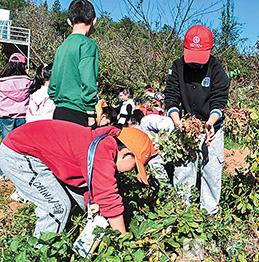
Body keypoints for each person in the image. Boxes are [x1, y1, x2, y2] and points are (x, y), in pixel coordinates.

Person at [0, 120, 156, 237]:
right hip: (19, 153)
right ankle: (39, 254)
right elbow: (108, 198)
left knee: (82, 205)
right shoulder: (103, 149)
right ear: (126, 153)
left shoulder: (103, 143)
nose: (131, 172)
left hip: (36, 154)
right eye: (134, 166)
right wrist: (124, 241)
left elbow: (92, 188)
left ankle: (68, 243)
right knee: (58, 207)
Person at [164, 25, 230, 215]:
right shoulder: (177, 67)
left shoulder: (217, 70)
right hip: (185, 124)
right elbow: (171, 96)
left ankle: (209, 215)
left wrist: (211, 121)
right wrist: (178, 122)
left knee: (211, 171)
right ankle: (182, 213)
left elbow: (219, 101)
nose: (194, 64)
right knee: (183, 169)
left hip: (212, 126)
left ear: (211, 49)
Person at [48, 0, 98, 127]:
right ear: (94, 20)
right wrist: (91, 113)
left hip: (59, 112)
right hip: (79, 112)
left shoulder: (62, 47)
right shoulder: (88, 45)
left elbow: (52, 86)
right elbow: (88, 81)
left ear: (69, 21)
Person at [0, 53, 32, 140]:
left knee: (6, 143)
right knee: (21, 143)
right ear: (23, 66)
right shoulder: (28, 81)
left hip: (6, 117)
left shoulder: (2, 82)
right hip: (23, 116)